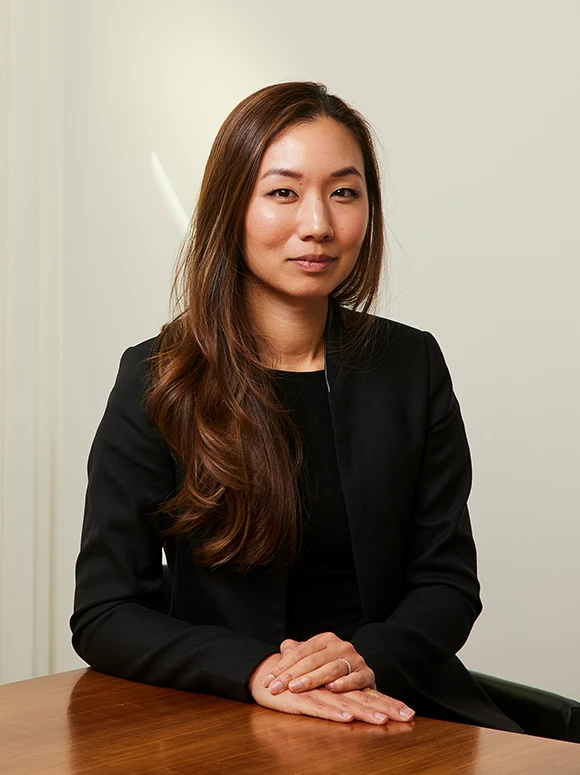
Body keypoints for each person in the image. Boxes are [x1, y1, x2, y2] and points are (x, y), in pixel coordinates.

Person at [71, 81, 520, 732]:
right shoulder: (157, 375)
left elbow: (447, 584)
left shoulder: (411, 363)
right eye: (284, 191)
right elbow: (106, 611)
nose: (319, 223)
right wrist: (261, 674)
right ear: (232, 208)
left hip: (395, 704)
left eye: (344, 192)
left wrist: (361, 661)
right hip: (225, 713)